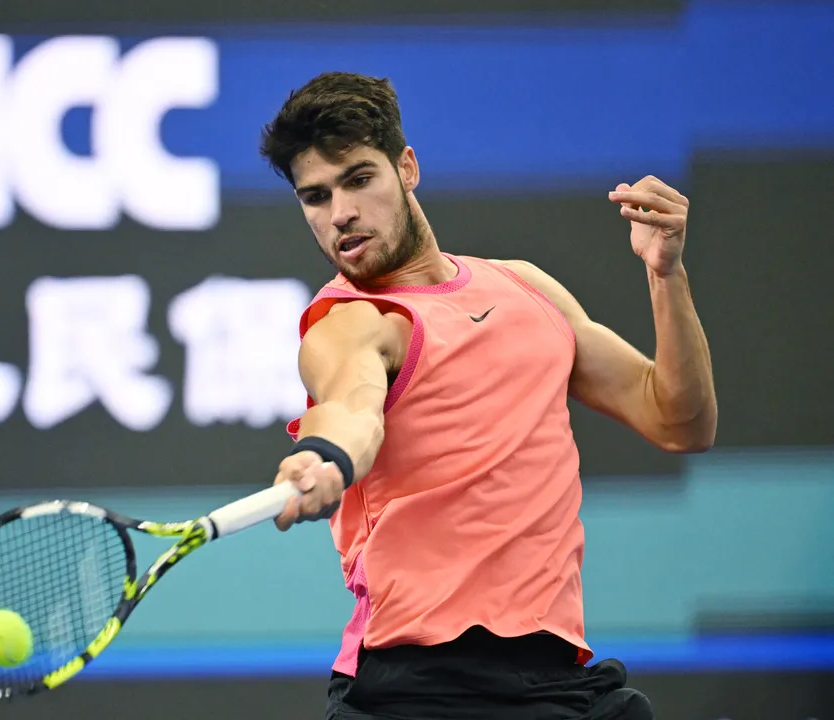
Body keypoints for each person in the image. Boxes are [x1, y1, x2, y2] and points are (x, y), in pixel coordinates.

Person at [258, 72, 717, 719]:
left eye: (359, 179)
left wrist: (666, 275)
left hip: (556, 678)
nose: (339, 214)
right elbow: (350, 406)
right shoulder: (352, 321)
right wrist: (323, 455)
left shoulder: (525, 288)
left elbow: (680, 421)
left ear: (406, 167)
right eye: (315, 196)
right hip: (417, 690)